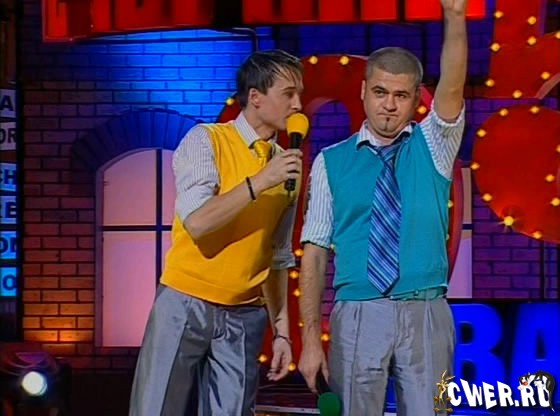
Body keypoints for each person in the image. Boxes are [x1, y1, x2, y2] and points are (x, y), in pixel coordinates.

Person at [297, 1, 468, 415]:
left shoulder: (435, 145)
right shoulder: (330, 161)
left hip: (426, 312)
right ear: (363, 91)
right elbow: (314, 254)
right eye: (380, 92)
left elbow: (452, 86)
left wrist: (455, 15)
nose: (389, 105)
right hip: (357, 312)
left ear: (414, 101)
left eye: (400, 95)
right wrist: (309, 342)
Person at [129, 49, 304, 416]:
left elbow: (277, 255)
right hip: (185, 301)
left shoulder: (286, 166)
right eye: (288, 94)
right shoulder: (206, 140)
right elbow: (197, 221)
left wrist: (282, 331)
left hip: (245, 312)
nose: (298, 105)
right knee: (157, 407)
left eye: (299, 95)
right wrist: (259, 182)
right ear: (255, 97)